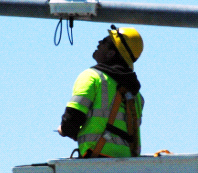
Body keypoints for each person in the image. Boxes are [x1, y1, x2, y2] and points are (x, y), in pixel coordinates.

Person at [57, 25, 144, 158]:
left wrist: (63, 130)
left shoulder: (92, 77)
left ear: (111, 53)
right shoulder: (137, 95)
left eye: (105, 41)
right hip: (127, 164)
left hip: (97, 160)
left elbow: (72, 121)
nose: (99, 42)